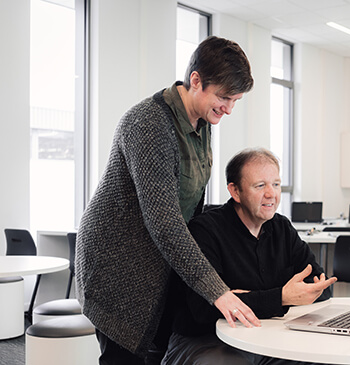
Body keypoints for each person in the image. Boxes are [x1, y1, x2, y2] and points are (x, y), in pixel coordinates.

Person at [75, 36, 261, 364]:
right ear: (196, 81)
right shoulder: (148, 123)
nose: (229, 108)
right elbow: (166, 223)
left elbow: (193, 207)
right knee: (127, 356)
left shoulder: (203, 123)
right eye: (223, 97)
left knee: (162, 349)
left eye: (235, 100)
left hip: (158, 260)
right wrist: (218, 291)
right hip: (116, 265)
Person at [162, 147, 337, 365]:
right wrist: (282, 296)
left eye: (276, 184)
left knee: (330, 358)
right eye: (260, 185)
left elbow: (320, 287)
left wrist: (248, 298)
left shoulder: (281, 227)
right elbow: (204, 309)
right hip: (207, 340)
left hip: (268, 336)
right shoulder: (205, 230)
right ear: (235, 191)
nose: (271, 194)